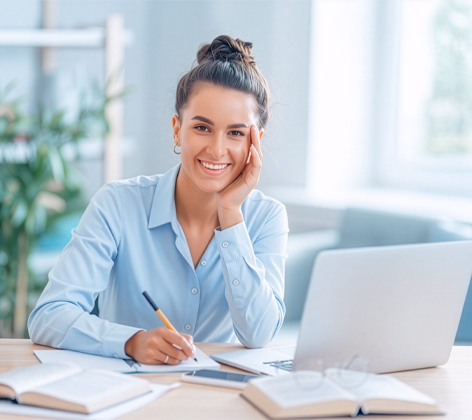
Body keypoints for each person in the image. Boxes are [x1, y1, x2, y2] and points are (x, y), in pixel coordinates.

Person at [28, 35, 289, 365]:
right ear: (177, 130)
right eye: (202, 128)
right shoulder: (118, 204)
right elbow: (49, 316)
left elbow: (260, 333)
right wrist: (131, 341)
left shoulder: (266, 217)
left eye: (236, 133)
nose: (218, 149)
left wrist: (231, 213)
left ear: (256, 142)